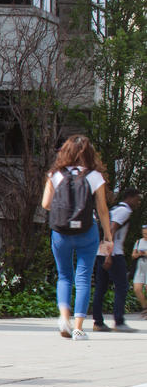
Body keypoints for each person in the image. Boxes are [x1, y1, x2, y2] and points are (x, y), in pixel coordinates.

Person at [41, 135, 113, 340]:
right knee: (83, 278)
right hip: (87, 231)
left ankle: (64, 318)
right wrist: (108, 236)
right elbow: (102, 209)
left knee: (64, 275)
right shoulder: (94, 176)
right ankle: (79, 328)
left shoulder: (54, 174)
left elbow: (46, 204)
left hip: (61, 232)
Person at [91, 187, 140, 332]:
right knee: (122, 287)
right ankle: (119, 322)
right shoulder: (124, 211)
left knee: (101, 287)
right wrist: (109, 255)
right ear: (130, 198)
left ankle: (98, 322)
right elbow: (111, 229)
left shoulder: (115, 209)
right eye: (137, 199)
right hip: (113, 254)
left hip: (100, 252)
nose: (138, 202)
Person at [132, 227, 147, 319]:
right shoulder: (138, 242)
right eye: (144, 233)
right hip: (140, 266)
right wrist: (138, 254)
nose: (145, 235)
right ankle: (145, 307)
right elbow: (133, 255)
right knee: (137, 289)